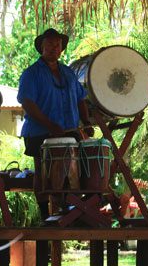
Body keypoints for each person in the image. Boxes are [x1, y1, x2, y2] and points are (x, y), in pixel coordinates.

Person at [17, 28, 92, 220]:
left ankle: (68, 211)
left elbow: (80, 98)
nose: (53, 48)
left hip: (69, 131)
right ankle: (45, 214)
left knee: (72, 172)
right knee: (43, 172)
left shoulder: (68, 72)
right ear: (41, 47)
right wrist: (50, 125)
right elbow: (27, 103)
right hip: (39, 132)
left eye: (57, 44)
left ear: (62, 49)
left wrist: (87, 121)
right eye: (49, 44)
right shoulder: (31, 73)